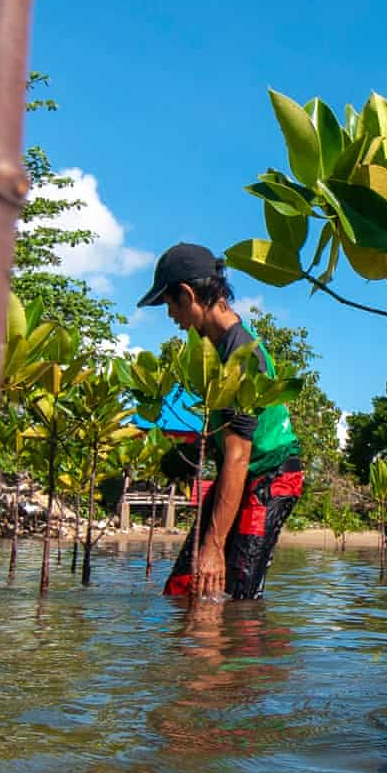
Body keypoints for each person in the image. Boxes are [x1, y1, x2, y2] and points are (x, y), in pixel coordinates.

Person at [137, 243, 303, 601]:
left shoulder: (241, 355)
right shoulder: (211, 347)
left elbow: (239, 455)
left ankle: (244, 653)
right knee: (183, 589)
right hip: (239, 472)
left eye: (169, 304)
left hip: (270, 477)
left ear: (188, 294)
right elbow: (223, 434)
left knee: (233, 595)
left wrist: (213, 545)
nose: (169, 315)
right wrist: (190, 452)